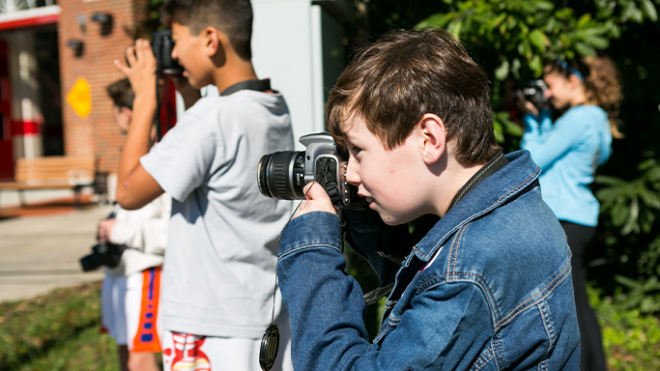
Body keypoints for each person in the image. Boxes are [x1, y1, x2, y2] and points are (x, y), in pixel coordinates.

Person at [275, 28, 581, 370]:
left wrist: (312, 250)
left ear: (429, 139)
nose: (350, 173)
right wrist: (363, 214)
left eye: (358, 151)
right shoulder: (511, 208)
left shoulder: (466, 270)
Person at [112, 1, 294, 370]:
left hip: (208, 324)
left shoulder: (212, 118)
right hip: (264, 315)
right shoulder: (272, 106)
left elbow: (128, 193)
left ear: (211, 40)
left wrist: (146, 98)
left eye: (177, 39)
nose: (175, 52)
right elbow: (218, 162)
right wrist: (188, 97)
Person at [519, 55, 623, 371]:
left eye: (550, 85)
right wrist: (543, 119)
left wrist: (531, 120)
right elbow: (555, 155)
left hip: (565, 218)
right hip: (577, 217)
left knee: (573, 304)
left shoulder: (580, 119)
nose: (547, 93)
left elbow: (532, 159)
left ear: (573, 82)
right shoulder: (595, 118)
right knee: (576, 301)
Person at [100, 78, 171, 371]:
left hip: (146, 274)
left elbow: (172, 231)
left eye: (114, 111)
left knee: (140, 359)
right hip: (120, 273)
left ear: (126, 114)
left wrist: (121, 231)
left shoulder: (164, 156)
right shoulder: (130, 156)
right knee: (125, 353)